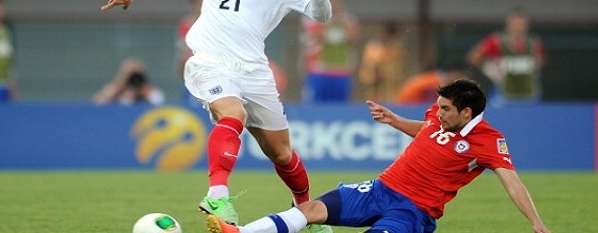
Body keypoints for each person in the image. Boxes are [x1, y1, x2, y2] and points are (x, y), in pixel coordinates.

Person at [101, 0, 333, 232]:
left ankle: (306, 212)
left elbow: (321, 17)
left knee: (281, 153)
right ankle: (217, 195)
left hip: (254, 69)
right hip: (210, 61)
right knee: (232, 113)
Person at [205, 78, 551, 233]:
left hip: (413, 211)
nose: (438, 111)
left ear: (467, 112)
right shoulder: (438, 115)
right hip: (380, 189)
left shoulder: (489, 142)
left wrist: (535, 223)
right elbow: (430, 131)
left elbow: (513, 184)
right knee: (309, 210)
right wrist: (396, 121)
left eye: (446, 108)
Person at [467, 8, 545, 105]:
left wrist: (527, 68)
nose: (518, 27)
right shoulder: (497, 41)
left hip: (528, 94)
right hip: (504, 94)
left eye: (521, 24)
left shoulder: (534, 42)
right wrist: (489, 69)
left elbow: (541, 60)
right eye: (515, 24)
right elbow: (473, 56)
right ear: (508, 24)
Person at [300, 0, 359, 103]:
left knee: (340, 108)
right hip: (318, 72)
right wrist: (327, 18)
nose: (332, 5)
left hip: (341, 72)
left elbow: (353, 40)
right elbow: (317, 37)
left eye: (335, 2)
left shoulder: (348, 20)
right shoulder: (311, 18)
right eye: (329, 2)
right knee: (315, 106)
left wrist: (340, 20)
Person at [358, 22, 405, 102]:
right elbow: (369, 66)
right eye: (389, 36)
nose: (390, 39)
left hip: (390, 85)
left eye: (393, 37)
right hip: (374, 84)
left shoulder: (397, 49)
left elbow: (395, 70)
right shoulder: (373, 47)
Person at [92, 58, 165, 106]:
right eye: (130, 76)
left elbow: (159, 105)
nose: (134, 79)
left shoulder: (151, 90)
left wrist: (143, 92)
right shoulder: (115, 88)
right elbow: (97, 104)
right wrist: (119, 85)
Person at [395, 60, 467, 105]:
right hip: (408, 106)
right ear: (453, 72)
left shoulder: (436, 78)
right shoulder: (434, 83)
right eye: (461, 75)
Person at [177, 0, 203, 106]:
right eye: (198, 3)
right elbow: (184, 46)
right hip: (193, 64)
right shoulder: (187, 22)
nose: (200, 6)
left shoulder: (215, 22)